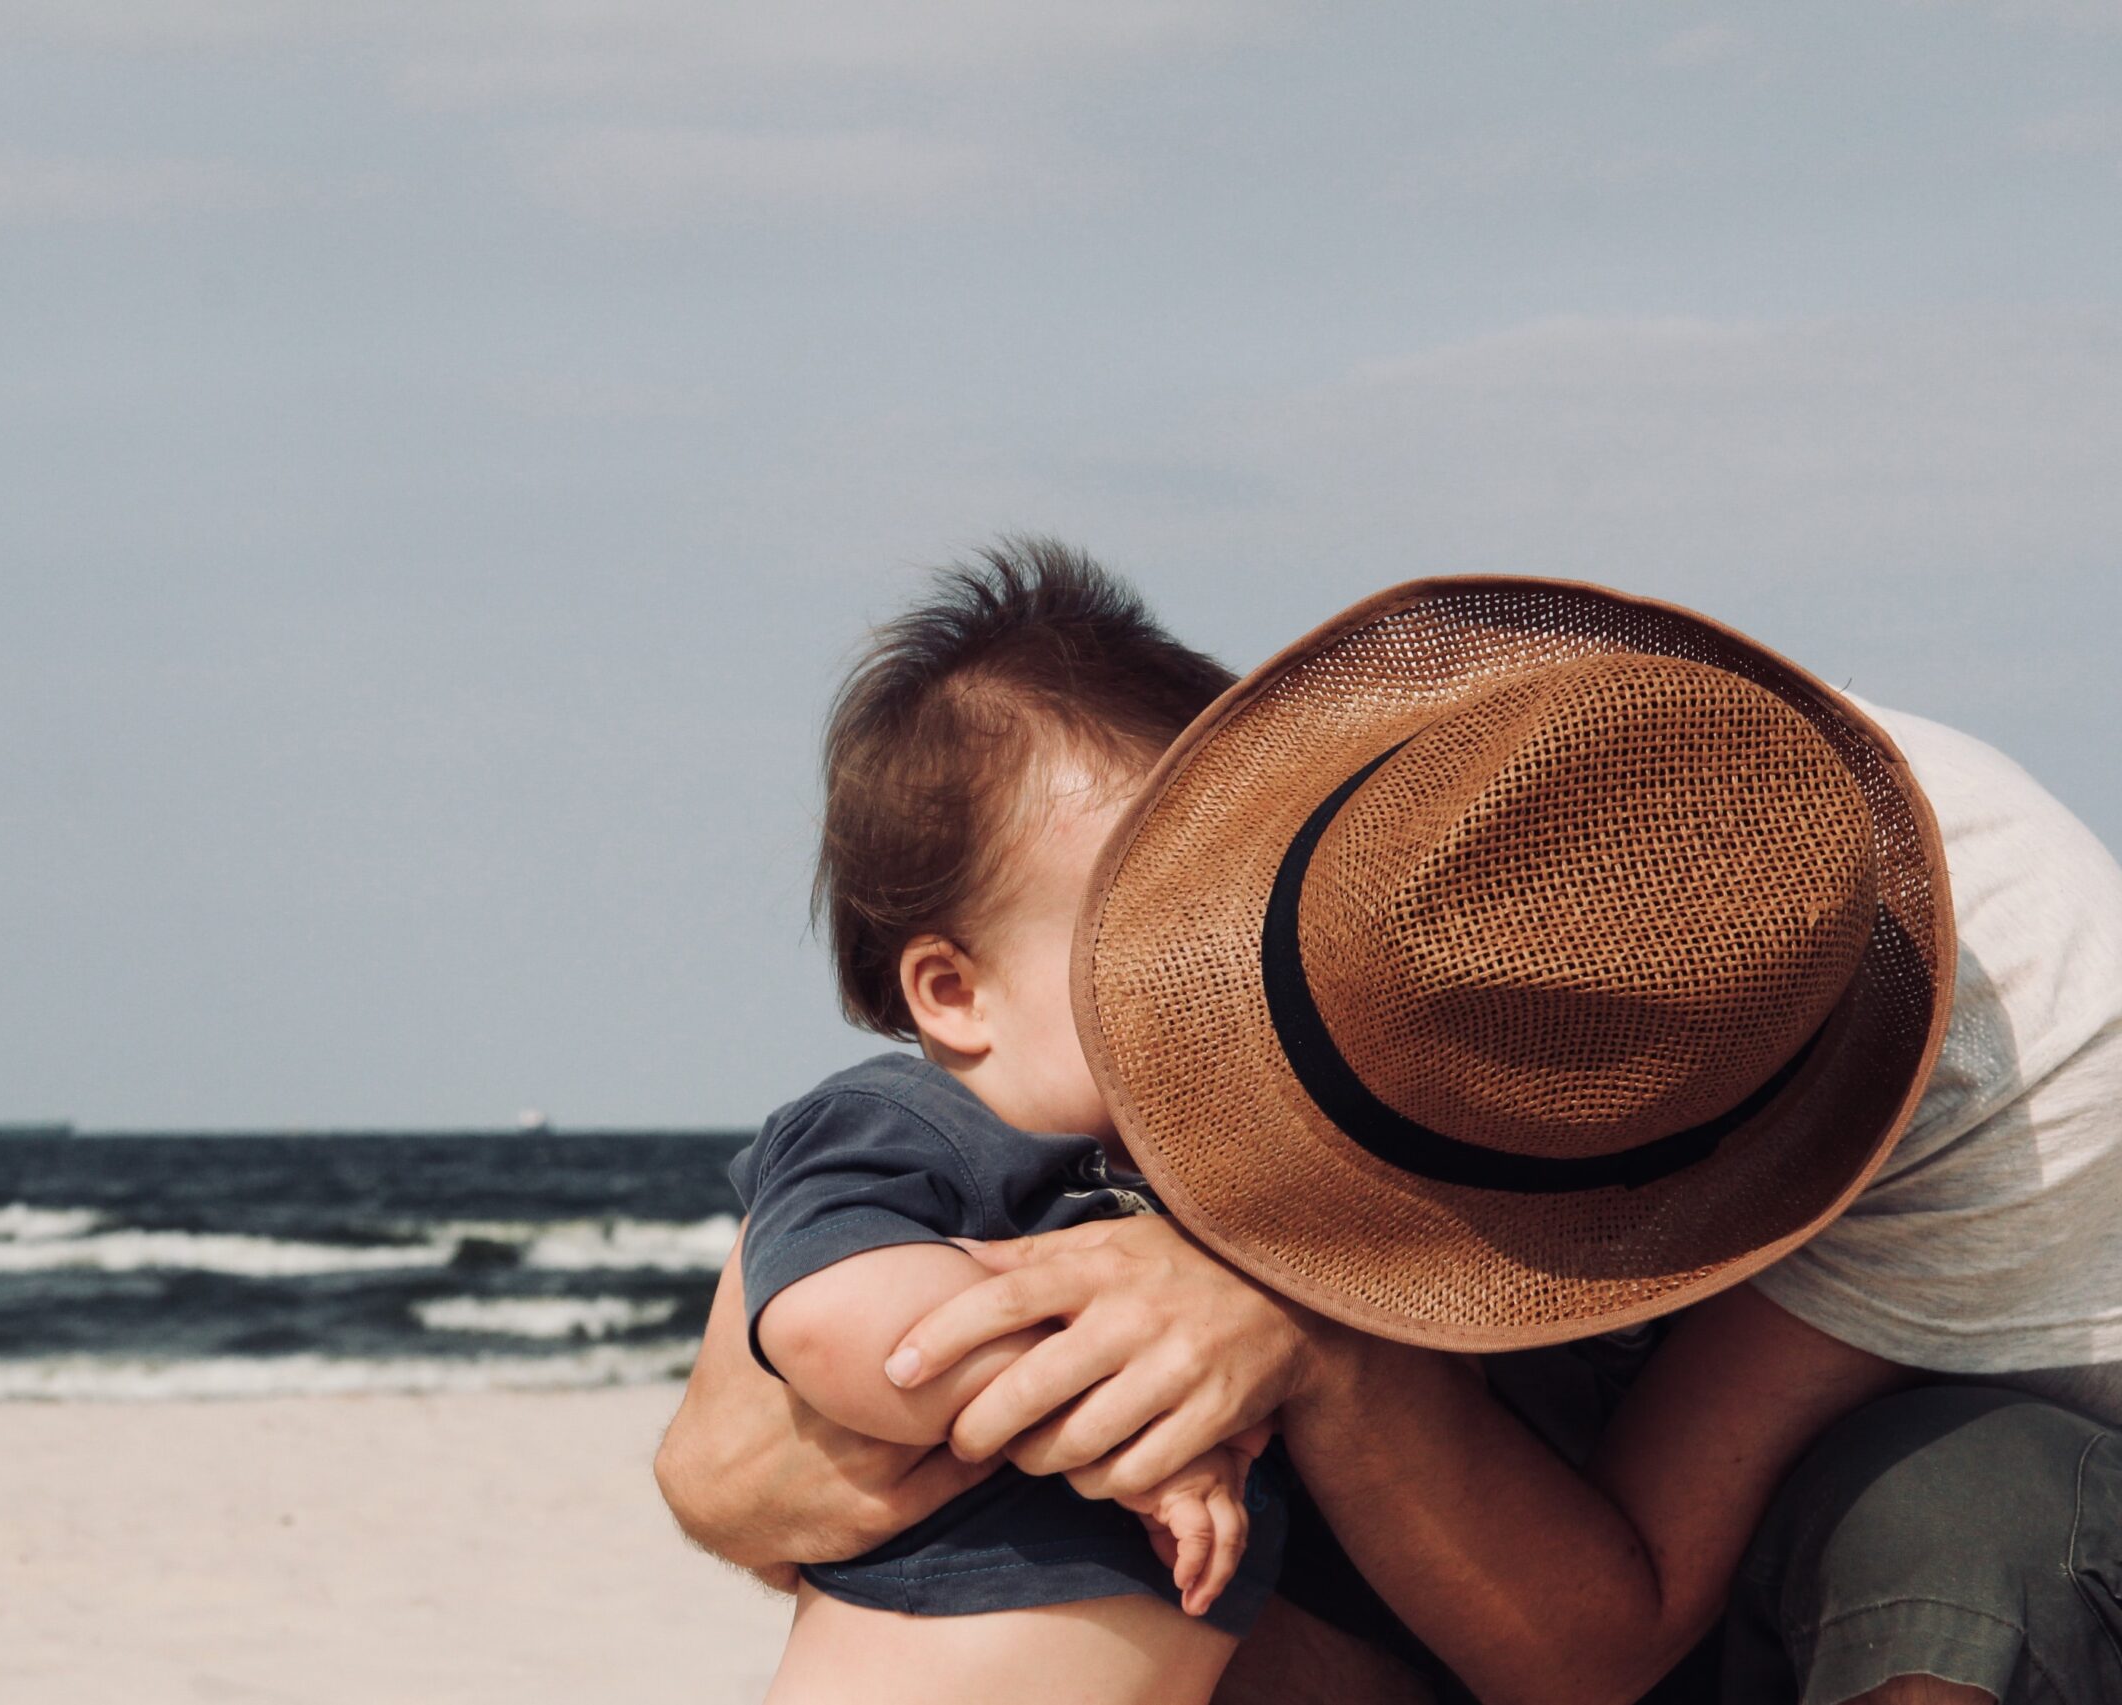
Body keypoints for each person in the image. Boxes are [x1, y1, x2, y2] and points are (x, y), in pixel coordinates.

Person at [657, 572, 2122, 1705]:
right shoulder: (1467, 813)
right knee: (1178, 1442)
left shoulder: (2035, 1049)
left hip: (1774, 1541)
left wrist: (1303, 1326)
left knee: (1981, 1516)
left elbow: (1602, 1635)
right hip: (1512, 1495)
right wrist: (725, 1451)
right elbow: (776, 1381)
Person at [729, 540, 1284, 1704]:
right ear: (952, 992)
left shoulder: (1177, 1175)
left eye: (1239, 936)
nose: (1219, 985)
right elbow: (841, 1329)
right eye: (1158, 946)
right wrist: (1122, 1429)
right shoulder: (900, 1126)